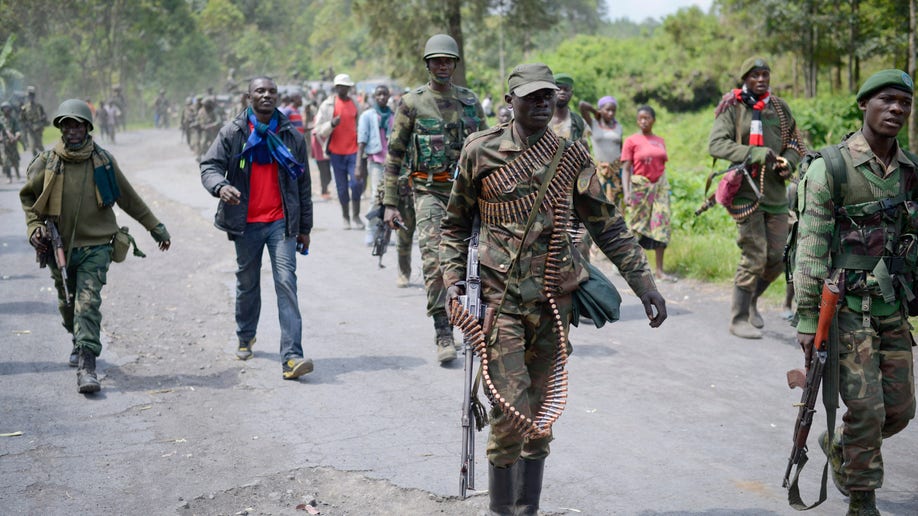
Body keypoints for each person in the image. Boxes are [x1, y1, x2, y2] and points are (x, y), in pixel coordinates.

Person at [440, 63, 667, 515]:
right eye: (531, 96)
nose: (543, 103)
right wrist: (451, 287)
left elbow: (609, 227)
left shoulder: (572, 156)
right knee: (509, 413)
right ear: (510, 102)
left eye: (547, 95)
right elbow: (453, 227)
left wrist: (645, 286)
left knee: (540, 418)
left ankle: (528, 510)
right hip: (497, 304)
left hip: (552, 302)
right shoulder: (480, 152)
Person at [794, 69, 916, 516]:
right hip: (846, 310)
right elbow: (809, 248)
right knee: (866, 410)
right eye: (887, 100)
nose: (897, 109)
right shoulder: (832, 167)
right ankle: (862, 503)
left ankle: (839, 444)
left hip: (892, 308)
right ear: (864, 104)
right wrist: (809, 319)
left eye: (905, 102)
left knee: (899, 411)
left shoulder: (910, 171)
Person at [19, 99, 172, 393]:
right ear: (61, 128)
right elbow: (29, 200)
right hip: (58, 246)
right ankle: (78, 340)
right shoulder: (47, 161)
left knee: (87, 302)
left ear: (88, 127)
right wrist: (34, 228)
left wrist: (155, 227)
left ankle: (87, 366)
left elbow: (128, 198)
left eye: (78, 124)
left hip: (97, 246)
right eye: (67, 124)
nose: (72, 130)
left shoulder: (103, 161)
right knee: (67, 302)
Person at [381, 33, 487, 364]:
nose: (442, 65)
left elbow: (487, 151)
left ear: (455, 64)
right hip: (429, 193)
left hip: (469, 196)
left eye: (448, 60)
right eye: (436, 60)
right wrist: (389, 202)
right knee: (434, 262)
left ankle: (477, 322)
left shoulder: (470, 102)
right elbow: (394, 154)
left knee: (478, 262)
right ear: (428, 65)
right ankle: (443, 332)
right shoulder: (412, 103)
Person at [200, 76, 314, 381]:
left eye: (271, 91)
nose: (266, 95)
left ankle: (292, 357)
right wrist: (220, 186)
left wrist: (305, 227)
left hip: (281, 223)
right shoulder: (234, 132)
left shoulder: (292, 135)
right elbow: (209, 166)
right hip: (245, 223)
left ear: (277, 97)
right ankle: (245, 335)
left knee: (286, 283)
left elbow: (303, 184)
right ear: (248, 96)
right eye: (260, 91)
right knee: (247, 283)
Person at [709, 57, 805, 339]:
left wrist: (788, 161)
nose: (761, 79)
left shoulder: (779, 107)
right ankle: (738, 318)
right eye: (755, 75)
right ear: (745, 78)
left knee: (777, 257)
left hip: (775, 193)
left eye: (765, 74)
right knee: (754, 255)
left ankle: (752, 300)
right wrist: (754, 153)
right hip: (745, 193)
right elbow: (716, 144)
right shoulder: (732, 106)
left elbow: (796, 143)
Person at [621, 105, 673, 281]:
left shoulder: (660, 140)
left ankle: (659, 270)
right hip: (640, 189)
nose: (643, 121)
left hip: (659, 188)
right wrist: (627, 192)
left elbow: (662, 165)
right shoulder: (631, 141)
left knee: (662, 223)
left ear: (653, 120)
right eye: (640, 118)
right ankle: (635, 267)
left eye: (647, 118)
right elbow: (626, 169)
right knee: (636, 226)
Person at [315, 74, 362, 229]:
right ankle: (346, 217)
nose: (344, 89)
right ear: (336, 88)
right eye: (341, 86)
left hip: (354, 151)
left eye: (347, 86)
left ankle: (356, 215)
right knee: (341, 188)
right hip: (336, 153)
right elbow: (319, 130)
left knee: (356, 184)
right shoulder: (327, 105)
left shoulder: (355, 103)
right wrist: (332, 124)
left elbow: (361, 124)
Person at [357, 84, 395, 245]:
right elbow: (361, 141)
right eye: (378, 94)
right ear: (374, 96)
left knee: (391, 199)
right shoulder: (367, 115)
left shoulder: (394, 115)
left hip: (393, 164)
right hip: (376, 162)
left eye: (384, 94)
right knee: (375, 197)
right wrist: (358, 164)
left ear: (388, 96)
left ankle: (385, 234)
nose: (381, 97)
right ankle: (370, 231)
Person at [579, 95, 624, 209]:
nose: (611, 113)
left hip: (616, 170)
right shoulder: (593, 124)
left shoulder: (618, 126)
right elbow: (582, 105)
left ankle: (616, 226)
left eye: (613, 110)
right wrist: (595, 112)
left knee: (616, 204)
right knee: (599, 202)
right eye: (607, 110)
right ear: (601, 110)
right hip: (600, 169)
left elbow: (621, 148)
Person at [550, 73, 586, 145]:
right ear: (551, 92)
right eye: (558, 89)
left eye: (566, 89)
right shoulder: (541, 117)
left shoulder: (578, 121)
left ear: (571, 93)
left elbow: (584, 149)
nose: (562, 92)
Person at [20, 85, 49, 158]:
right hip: (30, 129)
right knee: (32, 147)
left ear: (34, 96)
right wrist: (21, 112)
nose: (31, 97)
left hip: (38, 128)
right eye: (29, 96)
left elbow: (44, 115)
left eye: (32, 95)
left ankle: (45, 159)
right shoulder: (24, 107)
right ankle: (36, 160)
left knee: (39, 146)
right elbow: (22, 119)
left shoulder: (39, 106)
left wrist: (43, 119)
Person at [195, 97, 223, 162]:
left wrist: (211, 125)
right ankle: (200, 156)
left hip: (212, 131)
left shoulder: (213, 111)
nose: (205, 106)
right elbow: (198, 119)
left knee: (214, 143)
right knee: (202, 143)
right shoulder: (201, 111)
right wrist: (198, 124)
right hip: (204, 131)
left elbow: (218, 121)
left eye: (206, 105)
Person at [1, 102, 23, 182]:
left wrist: (16, 137)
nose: (6, 110)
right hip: (3, 144)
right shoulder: (1, 120)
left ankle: (17, 173)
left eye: (8, 108)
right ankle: (9, 177)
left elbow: (18, 130)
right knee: (5, 161)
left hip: (12, 143)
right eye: (4, 108)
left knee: (15, 160)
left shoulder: (13, 120)